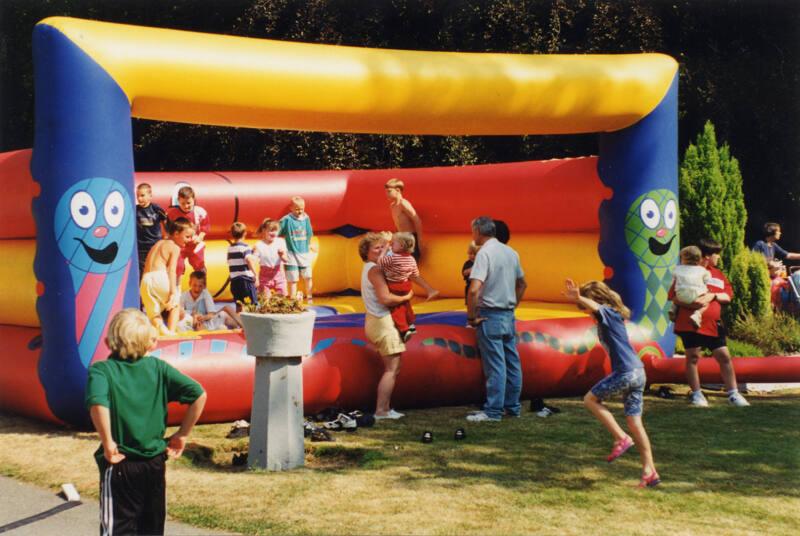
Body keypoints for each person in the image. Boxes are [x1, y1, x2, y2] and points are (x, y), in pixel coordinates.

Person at [85, 308, 207, 535]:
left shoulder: (102, 371)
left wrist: (108, 442)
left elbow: (98, 404)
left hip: (122, 462)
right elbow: (199, 394)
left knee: (117, 529)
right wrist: (182, 434)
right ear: (146, 341)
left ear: (111, 339)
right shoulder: (158, 369)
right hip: (154, 463)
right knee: (150, 528)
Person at [564, 279, 660, 488]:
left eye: (586, 308)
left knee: (590, 400)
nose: (587, 314)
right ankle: (649, 470)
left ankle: (621, 438)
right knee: (635, 423)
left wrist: (579, 297)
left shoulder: (608, 313)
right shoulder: (612, 317)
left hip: (626, 372)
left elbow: (596, 307)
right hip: (638, 373)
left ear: (595, 300)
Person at [669, 238, 750, 407]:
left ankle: (733, 394)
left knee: (724, 356)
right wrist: (692, 304)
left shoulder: (718, 274)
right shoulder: (685, 272)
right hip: (689, 323)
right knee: (692, 357)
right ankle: (697, 394)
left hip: (713, 323)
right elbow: (673, 296)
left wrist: (713, 296)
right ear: (706, 256)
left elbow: (727, 296)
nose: (718, 258)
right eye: (716, 255)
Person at [466, 216, 527, 422]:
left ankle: (493, 411)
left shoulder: (485, 253)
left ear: (478, 231)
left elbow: (474, 289)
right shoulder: (511, 252)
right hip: (508, 314)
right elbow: (522, 284)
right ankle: (513, 406)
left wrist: (472, 316)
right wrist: (513, 305)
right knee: (512, 362)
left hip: (490, 313)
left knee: (495, 365)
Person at [359, 232, 415, 420]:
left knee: (392, 368)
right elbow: (385, 298)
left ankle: (385, 408)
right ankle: (382, 410)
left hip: (374, 321)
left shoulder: (370, 267)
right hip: (382, 322)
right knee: (392, 369)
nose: (383, 250)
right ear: (367, 253)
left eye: (385, 247)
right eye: (377, 248)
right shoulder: (374, 269)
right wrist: (406, 297)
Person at [377, 232, 439, 341]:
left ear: (401, 246)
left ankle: (403, 329)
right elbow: (415, 274)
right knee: (405, 305)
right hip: (406, 285)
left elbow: (380, 262)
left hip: (394, 286)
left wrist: (384, 250)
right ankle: (410, 324)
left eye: (393, 243)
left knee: (396, 308)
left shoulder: (393, 258)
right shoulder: (411, 259)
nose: (391, 245)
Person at [140, 218, 194, 335]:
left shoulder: (157, 244)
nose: (189, 240)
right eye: (187, 236)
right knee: (175, 304)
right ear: (176, 234)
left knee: (154, 314)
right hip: (160, 277)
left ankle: (163, 332)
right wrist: (173, 292)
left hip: (145, 280)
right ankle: (171, 332)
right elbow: (171, 270)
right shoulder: (174, 247)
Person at [165, 185, 210, 284]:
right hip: (179, 246)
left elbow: (205, 227)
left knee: (199, 265)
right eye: (183, 203)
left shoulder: (200, 212)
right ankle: (177, 289)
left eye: (188, 203)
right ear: (178, 201)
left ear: (194, 199)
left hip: (195, 245)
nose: (186, 206)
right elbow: (169, 230)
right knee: (177, 266)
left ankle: (202, 288)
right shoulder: (172, 214)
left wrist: (200, 237)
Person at [279, 196, 316, 302]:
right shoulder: (286, 219)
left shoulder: (306, 218)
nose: (300, 211)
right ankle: (293, 299)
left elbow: (309, 233)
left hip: (304, 252)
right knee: (293, 279)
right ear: (291, 208)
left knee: (308, 277)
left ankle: (309, 296)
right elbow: (278, 231)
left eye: (302, 209)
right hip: (291, 253)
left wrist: (309, 244)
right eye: (297, 209)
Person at [669, 246, 711, 328]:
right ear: (699, 260)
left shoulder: (677, 269)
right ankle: (697, 314)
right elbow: (707, 280)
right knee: (706, 303)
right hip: (696, 297)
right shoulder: (702, 270)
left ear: (683, 259)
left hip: (680, 296)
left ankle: (673, 308)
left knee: (678, 291)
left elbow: (673, 278)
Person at [385, 178, 423, 260]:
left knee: (409, 263)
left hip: (410, 238)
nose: (386, 194)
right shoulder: (392, 206)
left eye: (389, 191)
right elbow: (397, 223)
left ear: (398, 190)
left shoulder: (403, 203)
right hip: (400, 238)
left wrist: (419, 241)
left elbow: (417, 220)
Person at [135, 183, 167, 279]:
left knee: (156, 266)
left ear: (150, 196)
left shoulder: (156, 209)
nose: (139, 199)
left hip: (155, 244)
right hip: (141, 246)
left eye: (142, 195)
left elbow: (165, 221)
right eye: (138, 196)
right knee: (142, 268)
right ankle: (142, 291)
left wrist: (167, 236)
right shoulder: (135, 210)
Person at [227, 222, 259, 308]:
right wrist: (255, 274)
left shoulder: (230, 248)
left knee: (239, 306)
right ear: (245, 233)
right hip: (246, 281)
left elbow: (233, 261)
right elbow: (248, 260)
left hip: (235, 281)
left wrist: (251, 252)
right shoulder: (245, 247)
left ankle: (238, 320)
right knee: (252, 305)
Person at [255, 218, 289, 297]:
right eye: (271, 230)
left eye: (276, 230)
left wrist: (282, 255)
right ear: (264, 230)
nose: (274, 233)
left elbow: (286, 259)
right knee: (266, 298)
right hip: (264, 275)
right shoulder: (259, 245)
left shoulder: (280, 241)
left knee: (282, 295)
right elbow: (254, 260)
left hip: (278, 273)